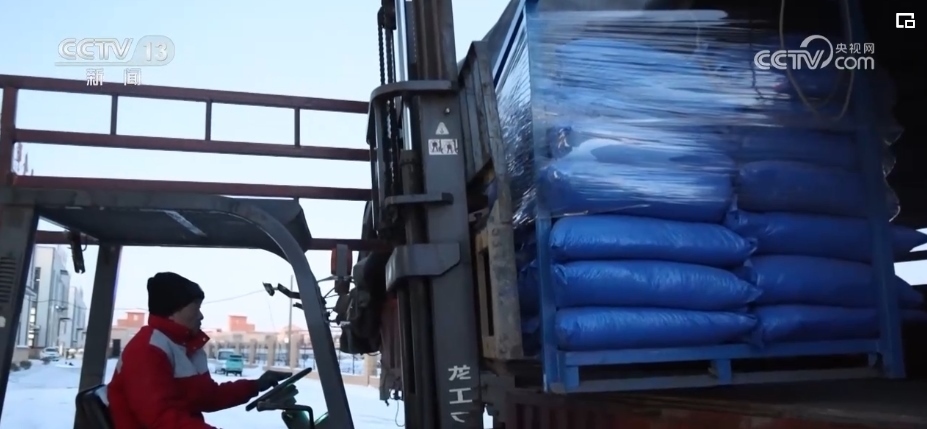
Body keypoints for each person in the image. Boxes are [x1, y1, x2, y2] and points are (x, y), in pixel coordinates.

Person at [107, 272, 289, 428]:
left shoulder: (182, 347)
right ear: (173, 311)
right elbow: (161, 419)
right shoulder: (147, 349)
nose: (201, 316)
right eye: (196, 308)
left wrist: (256, 385)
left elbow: (208, 397)